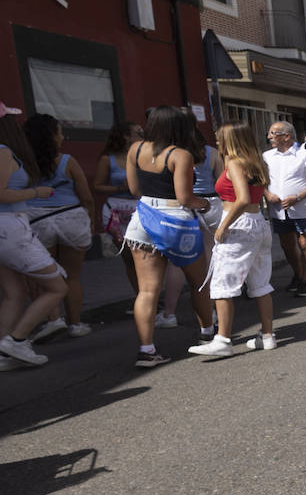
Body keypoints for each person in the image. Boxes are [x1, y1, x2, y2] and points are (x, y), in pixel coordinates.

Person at [123, 106, 215, 368]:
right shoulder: (180, 155)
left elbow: (134, 189)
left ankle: (146, 349)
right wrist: (205, 205)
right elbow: (185, 197)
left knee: (148, 290)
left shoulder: (135, 149)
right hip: (177, 222)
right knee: (198, 281)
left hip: (142, 221)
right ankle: (207, 334)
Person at [188, 121, 276, 357]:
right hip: (258, 222)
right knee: (260, 282)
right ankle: (267, 335)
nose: (217, 142)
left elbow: (242, 197)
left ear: (231, 140)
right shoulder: (257, 161)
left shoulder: (235, 163)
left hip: (239, 224)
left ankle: (223, 339)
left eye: (220, 138)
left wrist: (222, 226)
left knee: (223, 283)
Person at [0, 113, 67, 368]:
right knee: (57, 287)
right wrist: (36, 192)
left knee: (14, 293)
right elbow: (1, 193)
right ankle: (16, 341)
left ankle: (5, 353)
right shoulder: (4, 151)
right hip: (10, 228)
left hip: (8, 229)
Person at [21, 113, 96, 338]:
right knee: (72, 276)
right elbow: (87, 197)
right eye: (60, 132)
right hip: (71, 218)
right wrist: (90, 221)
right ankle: (76, 325)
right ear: (53, 136)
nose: (63, 136)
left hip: (36, 220)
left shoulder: (20, 162)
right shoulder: (67, 161)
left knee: (44, 275)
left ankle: (53, 320)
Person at [158, 126, 222, 329]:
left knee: (176, 264)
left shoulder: (174, 154)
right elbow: (220, 181)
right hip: (210, 204)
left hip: (183, 205)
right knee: (211, 258)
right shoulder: (211, 153)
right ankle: (211, 309)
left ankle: (169, 313)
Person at [262, 121, 306, 297]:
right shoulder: (267, 156)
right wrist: (266, 193)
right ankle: (298, 274)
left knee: (305, 243)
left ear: (286, 136)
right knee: (287, 244)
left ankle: (305, 280)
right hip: (278, 209)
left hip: (302, 209)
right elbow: (260, 179)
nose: (269, 137)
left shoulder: (305, 156)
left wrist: (297, 197)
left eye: (273, 133)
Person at [90, 120, 143, 297]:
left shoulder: (142, 156)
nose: (142, 136)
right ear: (126, 136)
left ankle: (149, 294)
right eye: (138, 133)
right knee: (128, 257)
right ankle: (140, 295)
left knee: (145, 255)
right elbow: (97, 186)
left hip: (140, 208)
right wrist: (119, 188)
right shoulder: (108, 160)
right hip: (117, 209)